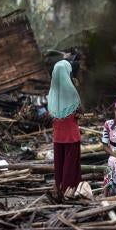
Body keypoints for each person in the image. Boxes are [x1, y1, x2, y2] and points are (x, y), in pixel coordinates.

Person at [47, 60, 82, 200]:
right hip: (71, 136)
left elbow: (50, 114)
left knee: (60, 165)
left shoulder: (52, 93)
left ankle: (60, 189)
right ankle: (68, 191)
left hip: (58, 136)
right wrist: (76, 87)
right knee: (71, 165)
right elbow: (80, 110)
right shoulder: (72, 91)